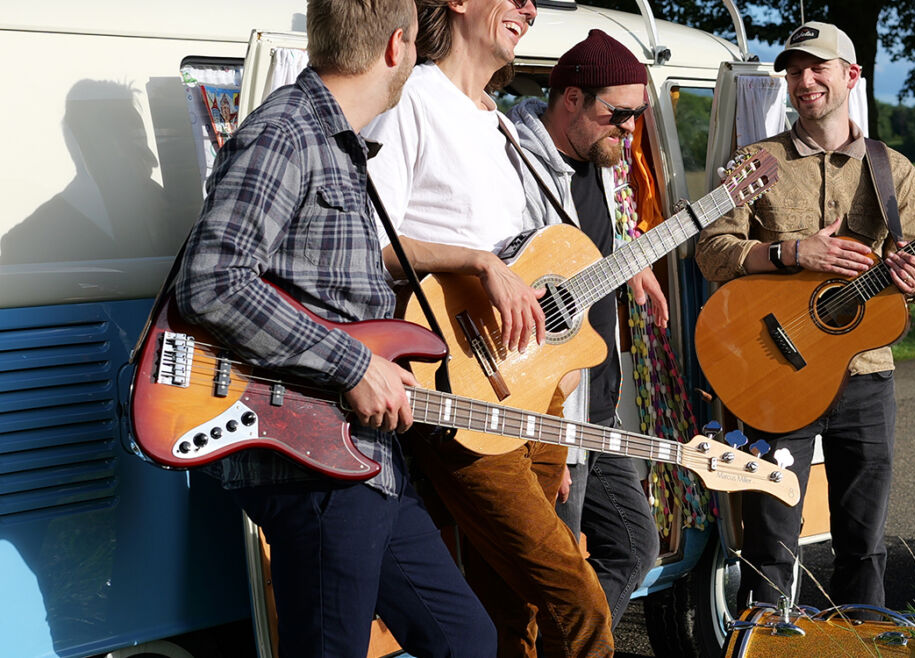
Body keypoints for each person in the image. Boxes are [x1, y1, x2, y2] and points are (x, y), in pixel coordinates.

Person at [172, 1, 495, 656]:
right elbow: (211, 280)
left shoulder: (337, 142)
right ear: (396, 46)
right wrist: (354, 365)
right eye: (417, 46)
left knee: (467, 641)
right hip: (312, 467)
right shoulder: (287, 133)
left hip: (367, 462)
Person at [363, 1, 613, 657]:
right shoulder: (413, 97)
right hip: (459, 386)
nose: (529, 8)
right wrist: (477, 263)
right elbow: (370, 243)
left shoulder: (497, 121)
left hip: (530, 383)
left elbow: (522, 261)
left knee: (514, 605)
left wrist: (551, 374)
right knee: (576, 598)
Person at [695, 20, 915, 614]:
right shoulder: (754, 162)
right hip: (777, 374)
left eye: (817, 68)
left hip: (867, 377)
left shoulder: (894, 170)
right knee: (770, 543)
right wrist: (791, 252)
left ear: (851, 76)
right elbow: (710, 251)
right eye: (795, 71)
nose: (804, 81)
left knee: (865, 545)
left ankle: (861, 644)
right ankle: (763, 645)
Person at [506, 29, 664, 629]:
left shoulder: (599, 160)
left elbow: (585, 249)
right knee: (551, 585)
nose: (629, 129)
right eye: (618, 114)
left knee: (634, 546)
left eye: (637, 115)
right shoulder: (512, 164)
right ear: (571, 99)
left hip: (598, 407)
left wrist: (629, 261)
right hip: (547, 415)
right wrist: (546, 440)